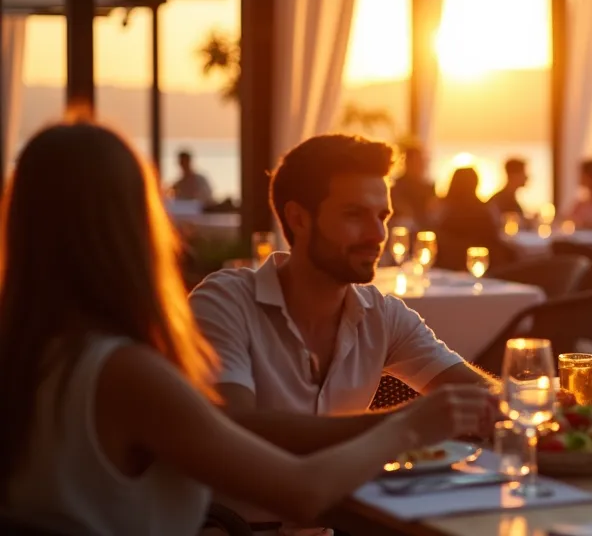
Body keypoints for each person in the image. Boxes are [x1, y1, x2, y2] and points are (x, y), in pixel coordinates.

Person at [0, 121, 488, 535]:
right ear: (127, 226)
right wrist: (407, 425)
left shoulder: (36, 354)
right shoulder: (126, 373)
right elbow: (302, 492)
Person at [189, 135, 497, 529]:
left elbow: (479, 394)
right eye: (355, 215)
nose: (377, 235)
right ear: (299, 218)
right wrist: (404, 425)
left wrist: (541, 407)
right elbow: (234, 427)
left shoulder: (380, 314)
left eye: (382, 216)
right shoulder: (224, 302)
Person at [390, 144, 437, 229]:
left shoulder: (428, 187)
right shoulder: (396, 186)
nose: (420, 165)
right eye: (415, 161)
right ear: (407, 162)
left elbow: (432, 213)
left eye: (420, 161)